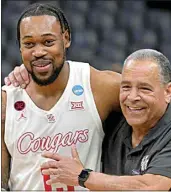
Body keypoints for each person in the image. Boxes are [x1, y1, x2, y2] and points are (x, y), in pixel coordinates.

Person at [6, 49, 171, 190]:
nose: (132, 97)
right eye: (126, 86)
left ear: (168, 91)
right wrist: (33, 72)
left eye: (144, 89)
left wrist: (83, 176)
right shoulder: (117, 117)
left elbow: (151, 186)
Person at [1, 3, 122, 191]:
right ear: (19, 47)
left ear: (66, 39)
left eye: (48, 42)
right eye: (29, 44)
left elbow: (153, 97)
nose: (39, 52)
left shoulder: (97, 85)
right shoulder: (6, 100)